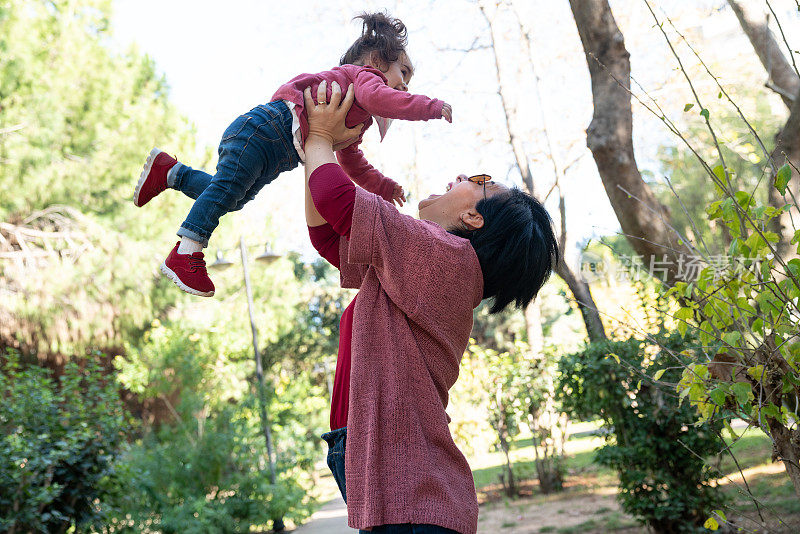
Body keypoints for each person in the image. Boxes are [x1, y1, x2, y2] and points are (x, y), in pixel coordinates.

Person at [304, 81, 558, 534]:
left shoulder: (448, 258)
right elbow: (328, 234)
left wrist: (320, 138)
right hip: (394, 476)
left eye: (478, 181)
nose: (461, 175)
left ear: (474, 219)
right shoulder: (422, 268)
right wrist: (311, 144)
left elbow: (337, 200)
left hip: (413, 491)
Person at [132, 12, 453, 297]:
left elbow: (352, 161)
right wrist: (432, 107)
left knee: (233, 195)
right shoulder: (363, 79)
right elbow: (386, 99)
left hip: (272, 148)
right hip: (265, 129)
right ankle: (186, 251)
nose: (406, 86)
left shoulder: (356, 115)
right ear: (377, 62)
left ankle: (171, 173)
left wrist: (384, 186)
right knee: (227, 189)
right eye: (404, 73)